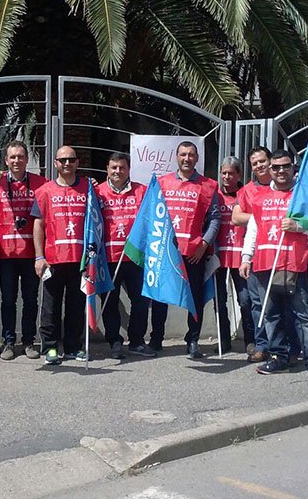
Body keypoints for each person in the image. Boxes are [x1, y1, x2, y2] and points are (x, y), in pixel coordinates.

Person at [239, 149, 308, 386]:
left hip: (293, 265)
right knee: (271, 315)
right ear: (270, 169)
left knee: (304, 317)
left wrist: (299, 226)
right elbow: (254, 230)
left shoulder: (302, 195)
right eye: (275, 167)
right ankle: (279, 356)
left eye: (285, 166)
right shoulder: (259, 197)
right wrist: (246, 257)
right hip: (264, 264)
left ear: (293, 168)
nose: (280, 171)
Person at [150, 141, 220, 360]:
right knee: (160, 297)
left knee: (195, 299)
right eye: (183, 154)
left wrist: (203, 245)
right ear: (176, 157)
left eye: (191, 155)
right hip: (166, 252)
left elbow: (215, 220)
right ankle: (156, 339)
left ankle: (193, 340)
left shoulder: (209, 185)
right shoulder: (162, 183)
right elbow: (152, 215)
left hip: (194, 252)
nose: (187, 158)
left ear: (197, 158)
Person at [0, 141, 48, 360]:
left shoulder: (41, 184)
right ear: (6, 160)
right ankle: (8, 342)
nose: (16, 161)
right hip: (6, 254)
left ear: (27, 160)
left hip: (32, 254)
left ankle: (28, 341)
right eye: (12, 157)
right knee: (7, 300)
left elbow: (62, 189)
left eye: (20, 157)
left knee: (31, 299)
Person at [33, 146, 90, 364]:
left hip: (80, 260)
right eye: (62, 160)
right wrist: (39, 257)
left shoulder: (88, 188)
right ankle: (49, 348)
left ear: (77, 163)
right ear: (55, 163)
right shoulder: (45, 191)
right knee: (50, 307)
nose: (67, 164)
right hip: (53, 260)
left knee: (77, 306)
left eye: (71, 160)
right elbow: (38, 224)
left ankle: (73, 347)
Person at [97, 152, 154, 359]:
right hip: (109, 258)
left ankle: (137, 341)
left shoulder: (142, 192)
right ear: (107, 169)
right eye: (113, 168)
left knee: (140, 301)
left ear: (128, 169)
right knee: (109, 302)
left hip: (135, 257)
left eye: (121, 167)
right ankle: (114, 342)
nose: (117, 171)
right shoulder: (98, 192)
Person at [232, 146, 273, 362]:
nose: (259, 165)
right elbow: (236, 217)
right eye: (254, 163)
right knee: (255, 303)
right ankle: (261, 345)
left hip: (280, 255)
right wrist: (265, 216)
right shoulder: (246, 191)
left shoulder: (282, 187)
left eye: (262, 161)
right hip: (256, 255)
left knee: (280, 303)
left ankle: (283, 346)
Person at [214, 157, 254, 354]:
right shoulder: (215, 194)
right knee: (219, 301)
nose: (226, 177)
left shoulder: (245, 194)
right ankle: (223, 341)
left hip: (240, 257)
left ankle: (250, 340)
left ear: (238, 174)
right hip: (218, 257)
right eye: (224, 173)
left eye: (231, 173)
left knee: (245, 300)